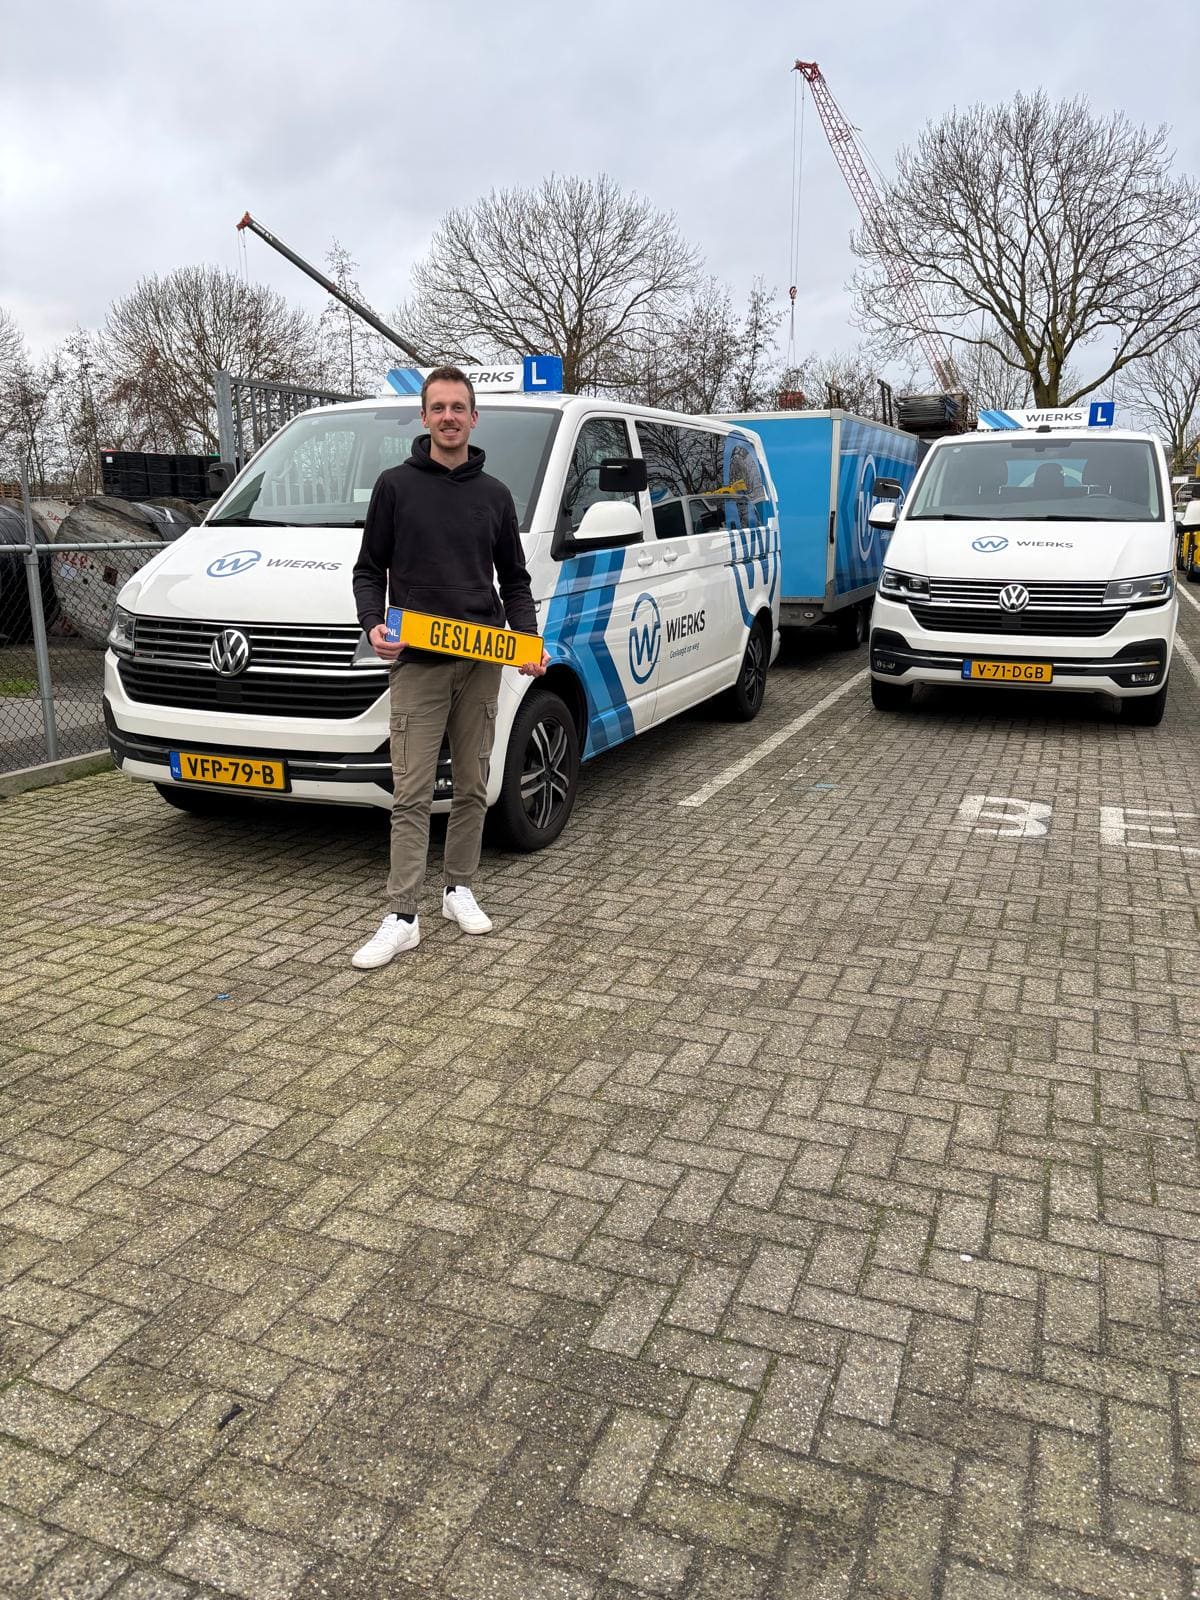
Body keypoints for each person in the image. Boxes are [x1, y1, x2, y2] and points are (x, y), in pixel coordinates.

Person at [350, 366, 548, 970]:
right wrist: (372, 623)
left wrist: (527, 639)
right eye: (438, 408)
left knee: (472, 785)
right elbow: (368, 570)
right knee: (410, 792)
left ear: (474, 417)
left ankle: (458, 887)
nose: (449, 417)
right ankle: (401, 916)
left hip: (482, 661)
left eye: (458, 407)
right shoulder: (394, 487)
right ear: (424, 417)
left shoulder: (495, 496)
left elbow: (515, 581)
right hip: (418, 664)